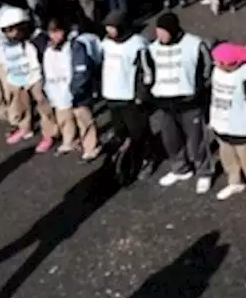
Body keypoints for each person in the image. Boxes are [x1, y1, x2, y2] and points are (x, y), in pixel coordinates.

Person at [148, 13, 213, 194]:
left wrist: (199, 89)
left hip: (190, 102)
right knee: (171, 140)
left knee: (197, 140)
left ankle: (204, 172)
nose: (159, 35)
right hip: (166, 103)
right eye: (158, 31)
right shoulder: (152, 48)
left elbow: (207, 68)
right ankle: (180, 168)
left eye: (163, 31)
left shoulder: (194, 44)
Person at [207, 42, 246, 212]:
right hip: (222, 123)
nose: (217, 65)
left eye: (221, 62)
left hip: (242, 127)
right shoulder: (219, 71)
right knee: (228, 157)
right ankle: (234, 182)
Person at [99, 10, 154, 183]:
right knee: (120, 131)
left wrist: (141, 95)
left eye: (112, 28)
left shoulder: (137, 44)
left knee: (140, 132)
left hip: (130, 97)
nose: (109, 32)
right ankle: (126, 158)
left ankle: (148, 159)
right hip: (112, 95)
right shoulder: (106, 43)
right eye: (107, 28)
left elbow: (146, 73)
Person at [38, 15, 102, 161]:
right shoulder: (49, 50)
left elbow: (81, 71)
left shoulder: (75, 47)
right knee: (64, 119)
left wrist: (75, 90)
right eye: (51, 32)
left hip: (78, 92)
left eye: (57, 31)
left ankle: (91, 146)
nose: (54, 35)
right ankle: (69, 141)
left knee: (84, 119)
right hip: (59, 90)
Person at [0, 7, 57, 152]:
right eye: (5, 31)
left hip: (36, 78)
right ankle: (24, 127)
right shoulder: (9, 42)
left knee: (43, 105)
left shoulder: (38, 40)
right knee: (21, 104)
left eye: (12, 29)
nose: (9, 34)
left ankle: (49, 134)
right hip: (18, 78)